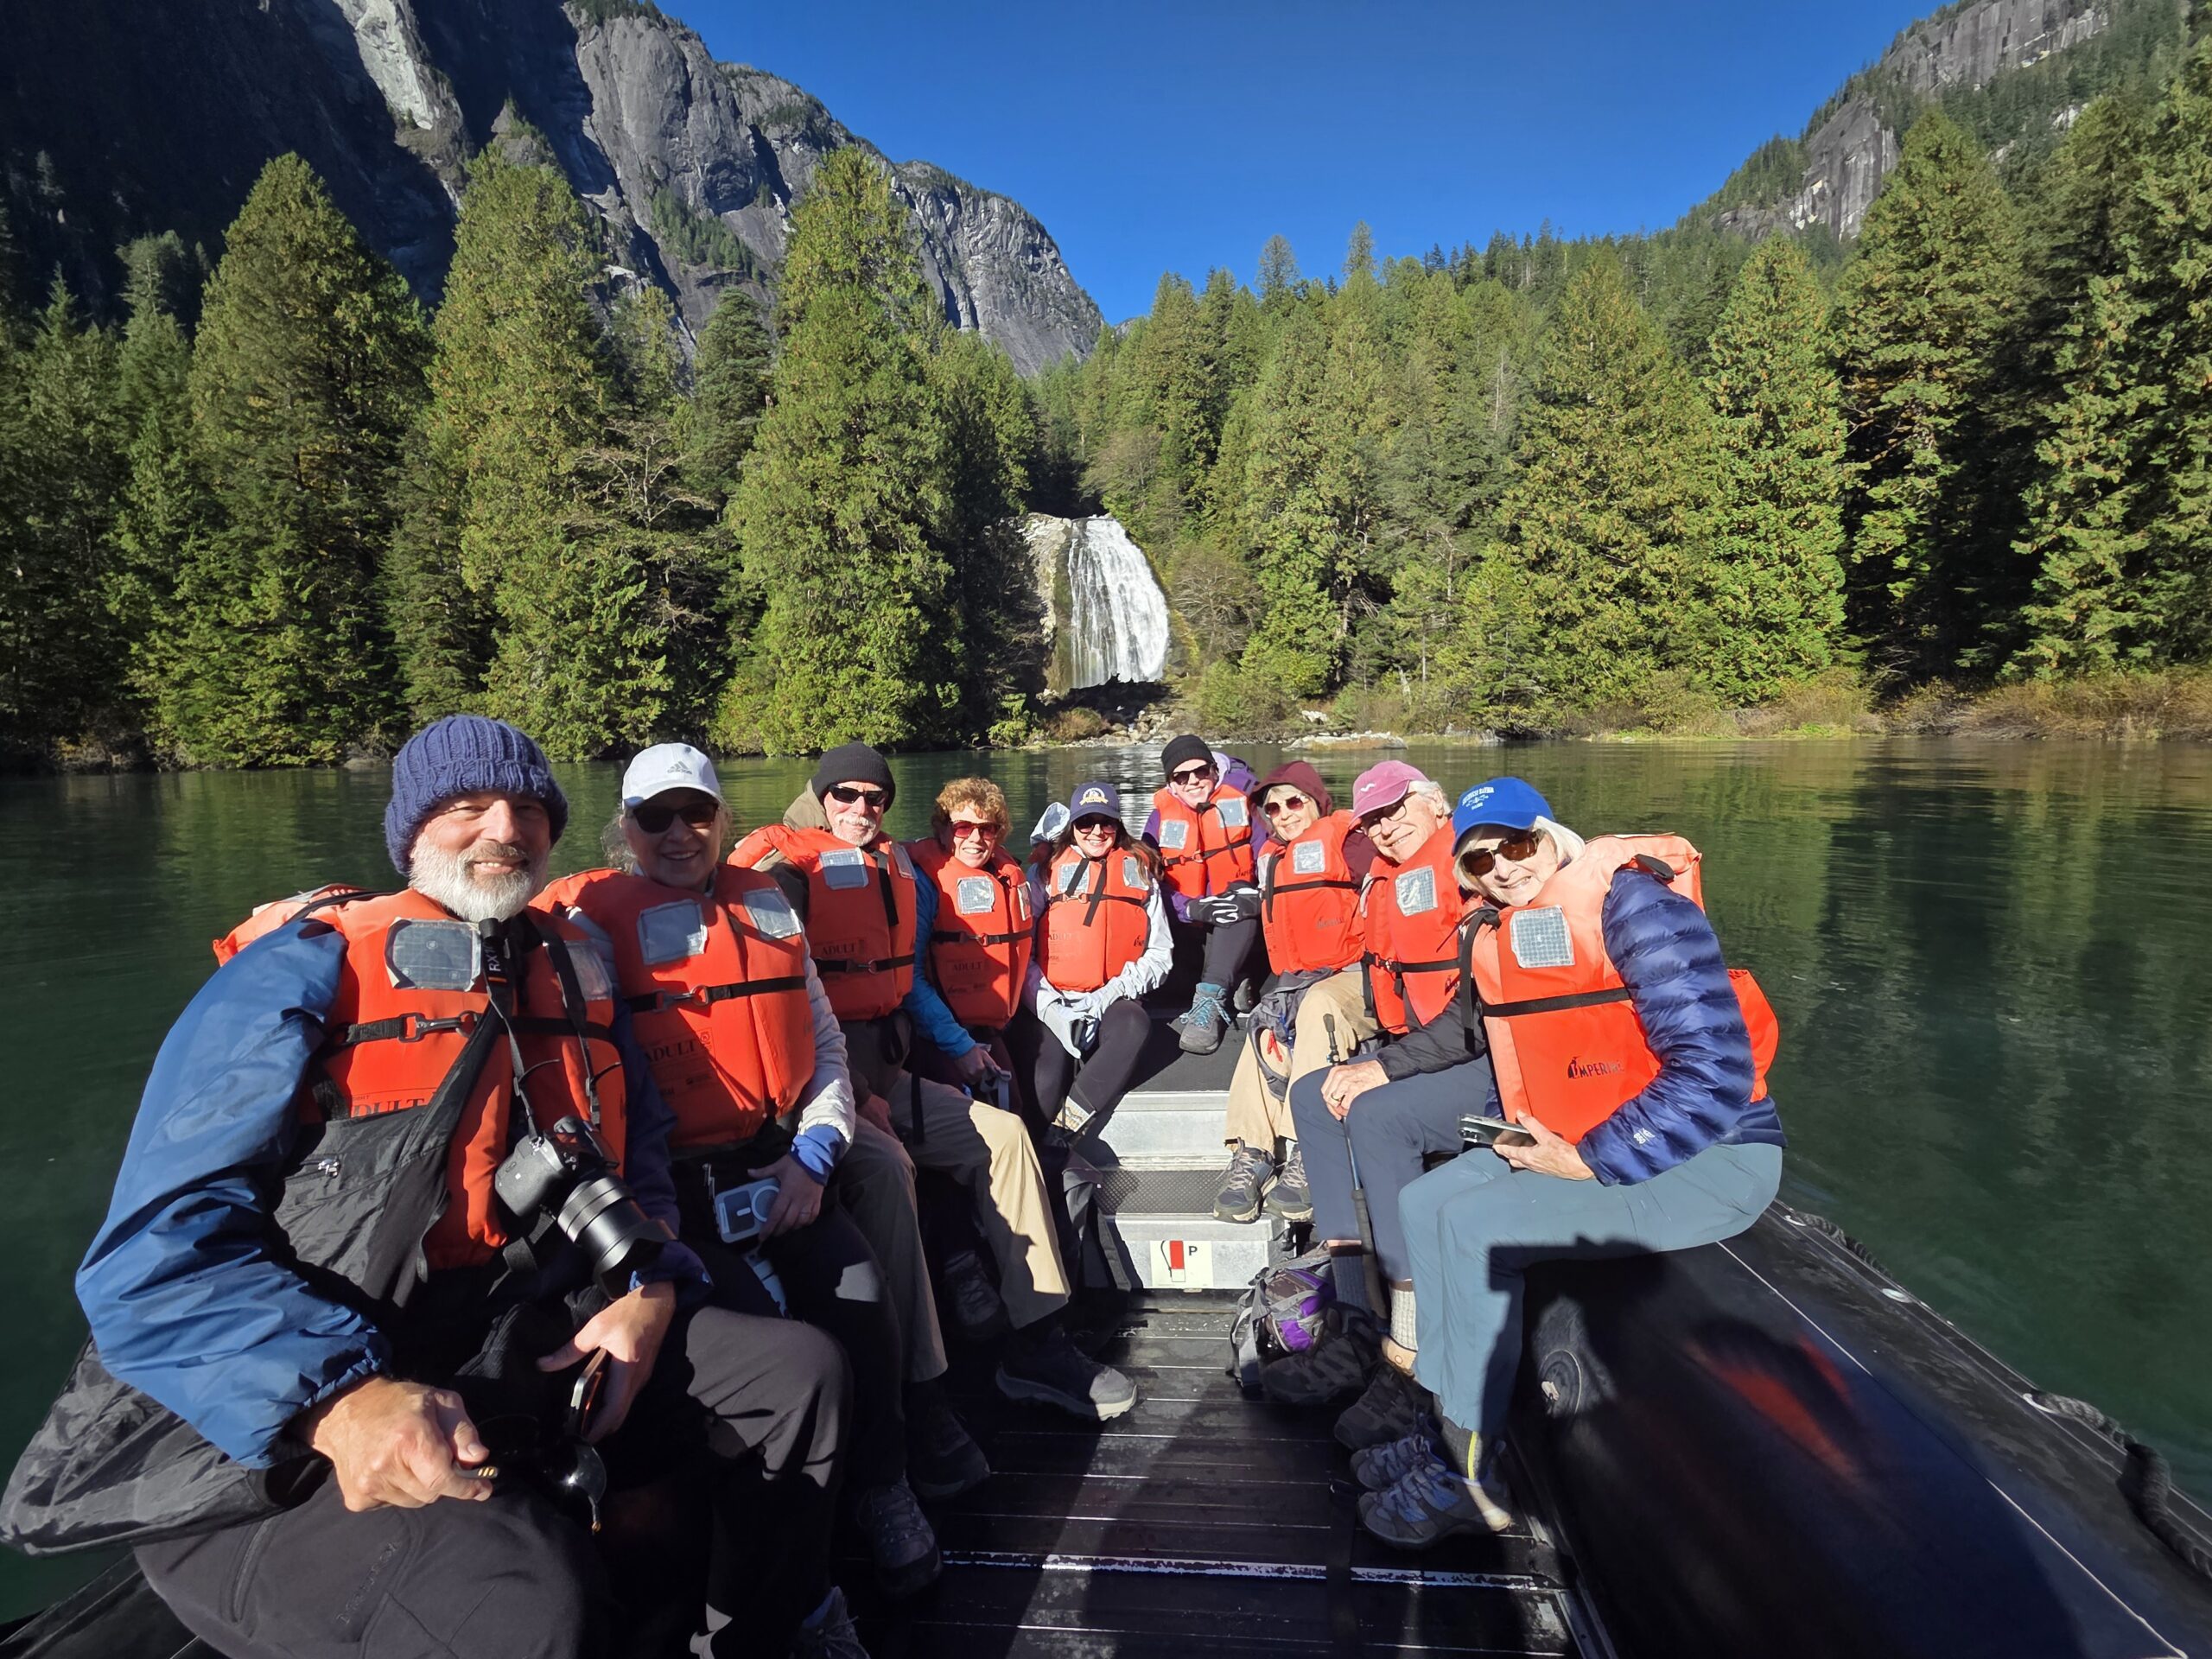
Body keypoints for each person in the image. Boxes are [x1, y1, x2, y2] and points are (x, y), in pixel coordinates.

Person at [2, 716, 863, 1659]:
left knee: (799, 1373)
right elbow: (151, 1260)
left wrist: (648, 1289)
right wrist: (342, 1402)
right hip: (306, 1407)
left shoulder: (570, 970)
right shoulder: (303, 970)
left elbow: (639, 1148)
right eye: (467, 807)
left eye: (529, 808)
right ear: (411, 831)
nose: (505, 828)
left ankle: (762, 1635)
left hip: (521, 1336)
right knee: (525, 1601)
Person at [539, 743, 986, 1600]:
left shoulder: (769, 909)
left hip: (779, 1165)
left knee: (860, 1300)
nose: (678, 833)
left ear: (723, 822)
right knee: (783, 1355)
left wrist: (812, 1159)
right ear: (627, 828)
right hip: (670, 1194)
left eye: (695, 814)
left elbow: (820, 1047)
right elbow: (510, 946)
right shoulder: (589, 927)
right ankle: (795, 1581)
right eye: (656, 817)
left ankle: (884, 1482)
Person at [1353, 777, 1785, 1551]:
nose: (1503, 870)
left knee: (1480, 1227)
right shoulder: (1499, 928)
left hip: (1711, 1158)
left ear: (1550, 836)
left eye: (1516, 845)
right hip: (1581, 1138)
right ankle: (1445, 1428)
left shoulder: (1635, 906)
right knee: (1426, 1206)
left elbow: (1715, 1068)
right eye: (1480, 863)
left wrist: (1593, 1159)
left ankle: (1472, 1481)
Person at [730, 743, 1136, 1422]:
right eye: (845, 796)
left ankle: (1035, 1340)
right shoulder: (789, 871)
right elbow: (777, 1002)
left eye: (875, 798)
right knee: (889, 1171)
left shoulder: (895, 866)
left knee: (1007, 1138)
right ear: (821, 798)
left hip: (891, 1070)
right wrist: (858, 1094)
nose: (861, 809)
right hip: (824, 1085)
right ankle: (917, 1395)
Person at [1275, 762, 1496, 1453]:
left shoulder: (1473, 872)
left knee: (1377, 1113)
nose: (1386, 826)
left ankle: (1408, 1356)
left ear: (1436, 803)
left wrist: (1381, 1066)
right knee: (1314, 1092)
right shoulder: (1387, 879)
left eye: (1399, 809)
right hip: (1429, 1049)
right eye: (1371, 819)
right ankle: (1353, 1323)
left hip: (1491, 1062)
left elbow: (1478, 1020)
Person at [1213, 761, 1379, 1225]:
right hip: (1297, 980)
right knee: (1264, 1019)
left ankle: (1308, 1146)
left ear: (1314, 801)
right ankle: (1253, 1152)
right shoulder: (1272, 857)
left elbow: (1388, 879)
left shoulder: (1349, 839)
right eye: (1273, 808)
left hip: (1357, 974)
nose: (1284, 814)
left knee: (1320, 1005)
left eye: (1293, 802)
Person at [1012, 781, 1174, 1143]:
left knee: (1134, 1024)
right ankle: (1037, 1157)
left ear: (1119, 826)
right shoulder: (1045, 871)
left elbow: (1161, 954)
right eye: (1086, 823)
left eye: (1107, 822)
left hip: (1114, 1000)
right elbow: (1021, 951)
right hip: (1052, 1001)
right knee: (1046, 1079)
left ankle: (1064, 1134)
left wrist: (1111, 993)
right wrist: (1051, 1006)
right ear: (1072, 827)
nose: (1097, 832)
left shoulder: (1140, 870)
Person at [1142, 733, 1268, 1054]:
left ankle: (1209, 1003)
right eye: (1182, 776)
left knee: (1236, 905)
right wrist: (1192, 908)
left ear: (1215, 770)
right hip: (1189, 933)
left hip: (1241, 926)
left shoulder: (1247, 806)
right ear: (1171, 783)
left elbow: (1269, 860)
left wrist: (1254, 896)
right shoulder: (1159, 819)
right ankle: (1238, 979)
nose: (1194, 781)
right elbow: (1151, 887)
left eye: (1202, 771)